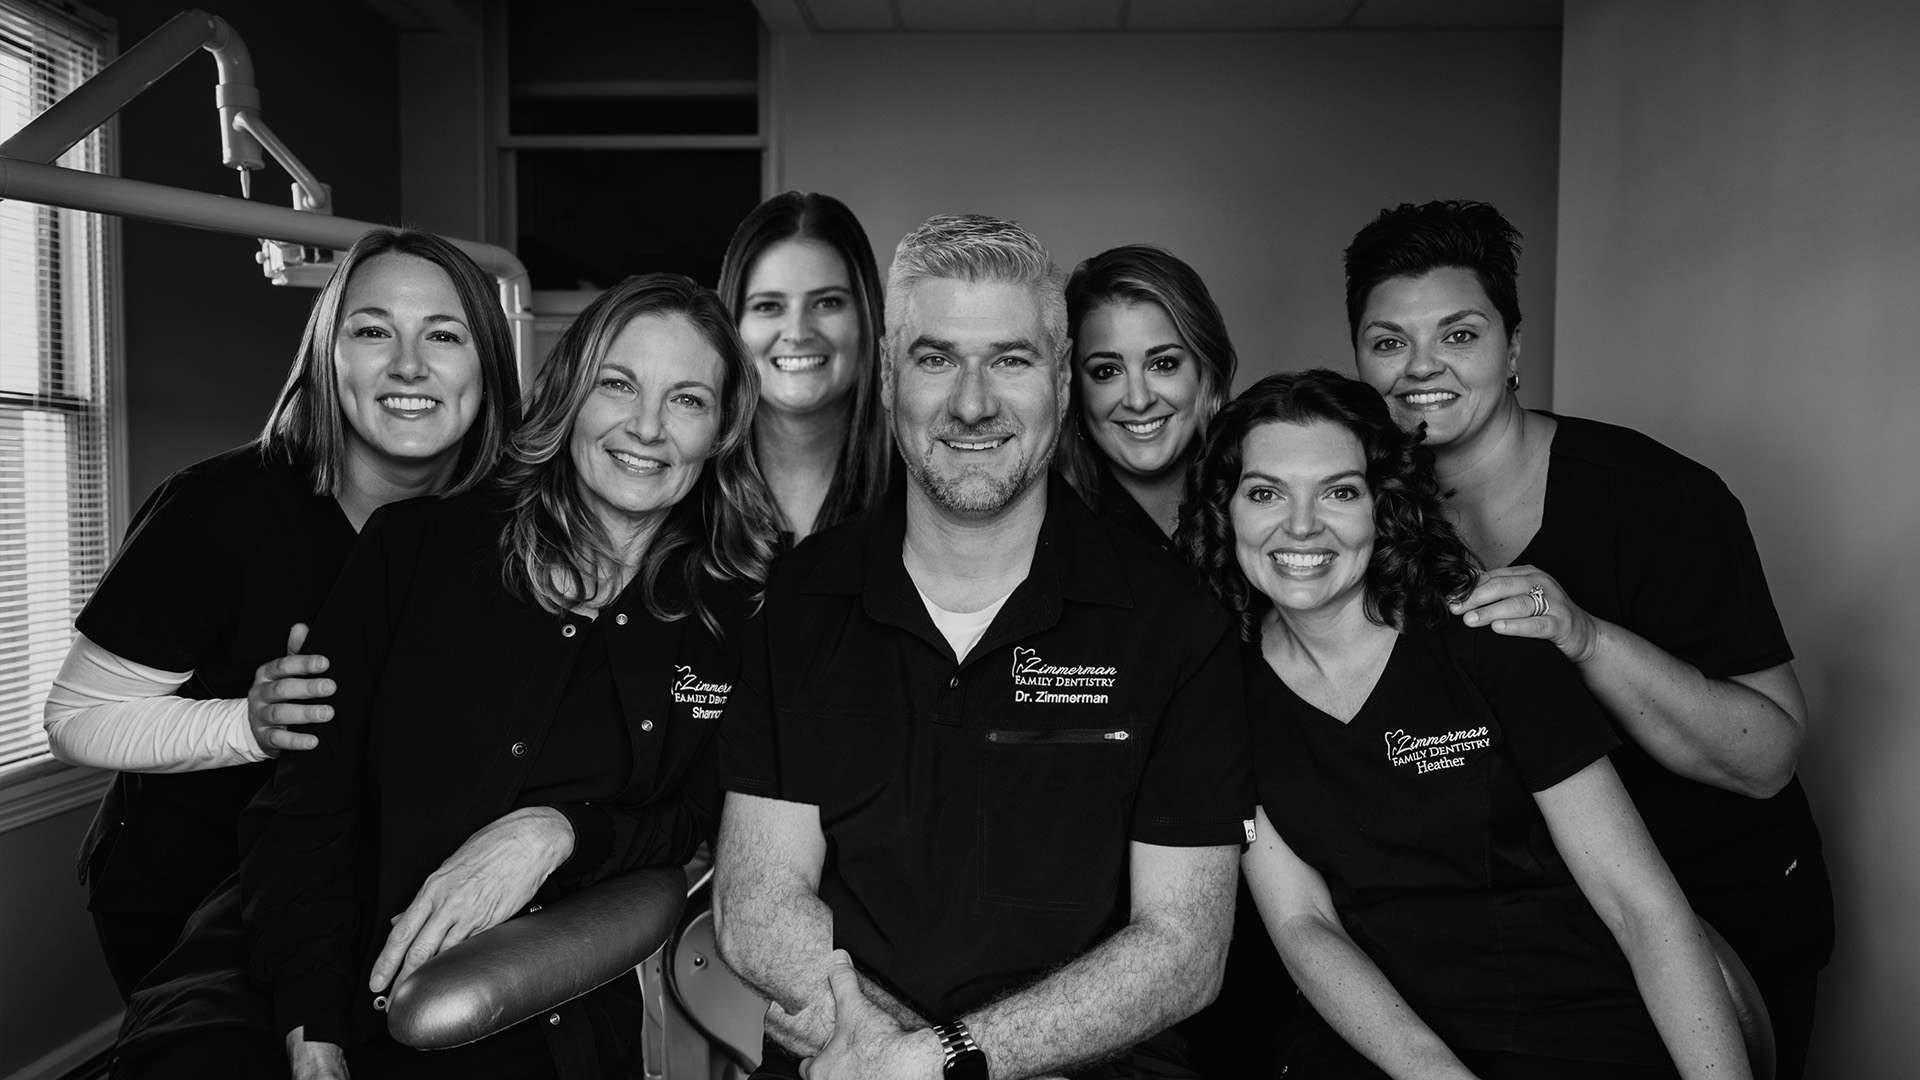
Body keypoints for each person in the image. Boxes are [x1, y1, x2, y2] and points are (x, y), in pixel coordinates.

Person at [139, 273, 774, 1080]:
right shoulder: (418, 551)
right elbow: (305, 803)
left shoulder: (735, 613)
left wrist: (558, 832)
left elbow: (693, 816)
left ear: (720, 429)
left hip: (538, 1001)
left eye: (687, 400)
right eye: (618, 385)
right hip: (327, 967)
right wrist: (314, 1031)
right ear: (571, 394)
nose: (645, 428)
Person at [713, 214, 1253, 1080]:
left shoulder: (1174, 623)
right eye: (935, 359)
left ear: (1062, 384)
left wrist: (941, 1062)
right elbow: (759, 902)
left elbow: (1184, 948)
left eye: (1010, 359)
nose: (972, 403)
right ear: (889, 377)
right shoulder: (802, 599)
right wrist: (890, 1056)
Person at [1343, 199, 1831, 1077]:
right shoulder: (1367, 522)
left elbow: (1768, 758)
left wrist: (1587, 638)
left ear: (1514, 348)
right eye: (1389, 342)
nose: (1423, 368)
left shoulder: (1657, 498)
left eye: (1460, 335)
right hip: (1550, 944)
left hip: (1727, 914)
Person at [1182, 369, 1753, 1079]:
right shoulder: (1215, 693)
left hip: (1575, 1021)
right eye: (1266, 493)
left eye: (1340, 491)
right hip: (1383, 1038)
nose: (1301, 526)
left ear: (1384, 508)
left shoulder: (1486, 639)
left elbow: (1638, 902)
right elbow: (1305, 924)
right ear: (1226, 509)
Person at [44, 228, 522, 1000]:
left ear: (489, 367)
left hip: (367, 904)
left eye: (444, 334)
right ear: (327, 358)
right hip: (192, 895)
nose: (409, 364)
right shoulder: (216, 512)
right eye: (372, 331)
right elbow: (76, 718)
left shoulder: (507, 531)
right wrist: (248, 725)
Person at [718, 191, 892, 540]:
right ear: (733, 325)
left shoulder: (922, 495)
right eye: (769, 306)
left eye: (827, 303)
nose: (798, 333)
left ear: (867, 317)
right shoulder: (683, 495)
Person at [1057, 244, 1237, 547]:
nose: (1139, 400)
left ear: (1205, 371)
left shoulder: (1262, 506)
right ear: (1073, 386)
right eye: (1107, 371)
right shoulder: (1049, 538)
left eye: (1163, 364)